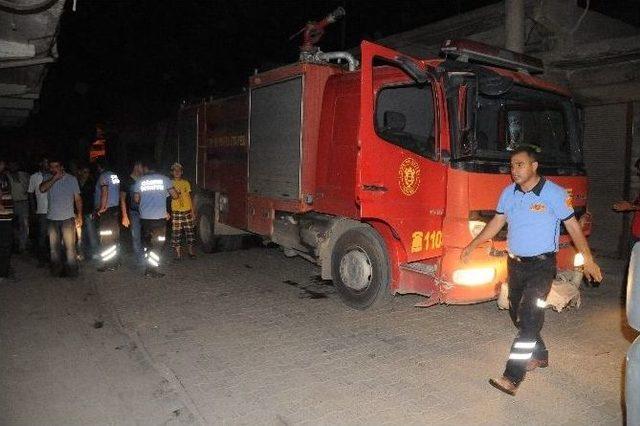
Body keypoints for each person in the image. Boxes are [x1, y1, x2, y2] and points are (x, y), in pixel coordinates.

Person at [460, 146, 603, 396]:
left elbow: (573, 227)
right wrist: (473, 243)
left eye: (520, 165)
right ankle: (541, 355)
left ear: (534, 166)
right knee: (518, 316)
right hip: (515, 264)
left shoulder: (555, 194)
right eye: (512, 165)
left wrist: (588, 259)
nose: (514, 170)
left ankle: (512, 376)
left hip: (541, 265)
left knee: (527, 317)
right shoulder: (508, 193)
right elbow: (497, 222)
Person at [133, 162, 178, 278]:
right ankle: (151, 270)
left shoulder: (140, 181)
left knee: (148, 243)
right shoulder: (165, 179)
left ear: (146, 168)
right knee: (158, 244)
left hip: (145, 218)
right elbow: (175, 196)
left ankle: (148, 265)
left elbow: (136, 199)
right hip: (159, 218)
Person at [39, 159, 83, 278]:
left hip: (68, 218)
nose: (53, 169)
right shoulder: (48, 178)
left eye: (56, 166)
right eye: (51, 167)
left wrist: (79, 215)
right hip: (52, 218)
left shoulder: (71, 179)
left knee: (70, 248)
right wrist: (54, 179)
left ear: (62, 167)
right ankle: (56, 272)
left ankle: (72, 272)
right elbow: (42, 189)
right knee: (54, 249)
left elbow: (77, 198)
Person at [94, 158, 121, 271]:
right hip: (115, 208)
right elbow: (118, 191)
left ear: (100, 167)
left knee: (105, 237)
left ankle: (108, 264)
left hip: (107, 210)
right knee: (114, 236)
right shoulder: (115, 176)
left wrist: (102, 208)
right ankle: (116, 262)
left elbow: (104, 192)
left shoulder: (103, 176)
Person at [120, 160, 145, 266]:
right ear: (137, 166)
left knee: (146, 235)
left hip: (146, 212)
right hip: (134, 212)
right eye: (142, 167)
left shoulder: (144, 180)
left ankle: (146, 256)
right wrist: (125, 216)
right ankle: (139, 259)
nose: (143, 169)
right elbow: (122, 199)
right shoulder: (127, 181)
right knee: (136, 236)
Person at [170, 162, 197, 260]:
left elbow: (189, 197)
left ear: (182, 172)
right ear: (172, 172)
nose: (177, 172)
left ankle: (190, 251)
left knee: (190, 232)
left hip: (187, 211)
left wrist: (193, 212)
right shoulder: (169, 183)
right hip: (176, 212)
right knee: (176, 233)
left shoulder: (186, 183)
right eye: (175, 170)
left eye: (179, 170)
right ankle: (178, 254)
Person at [613, 158, 640, 251]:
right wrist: (627, 205)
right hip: (636, 234)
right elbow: (637, 204)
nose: (638, 174)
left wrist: (631, 206)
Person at [28, 157, 50, 267]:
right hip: (41, 210)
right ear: (40, 163)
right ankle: (42, 259)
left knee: (53, 236)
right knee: (41, 235)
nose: (47, 164)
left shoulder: (53, 175)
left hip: (54, 210)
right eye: (45, 162)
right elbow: (30, 194)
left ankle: (52, 258)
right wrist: (33, 211)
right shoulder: (34, 177)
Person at [7, 161, 30, 253]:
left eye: (14, 164)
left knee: (24, 225)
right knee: (11, 225)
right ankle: (13, 243)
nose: (13, 166)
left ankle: (22, 246)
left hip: (23, 202)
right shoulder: (6, 176)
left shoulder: (24, 175)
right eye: (11, 165)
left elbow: (30, 188)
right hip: (11, 203)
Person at [77, 165, 99, 260]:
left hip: (89, 210)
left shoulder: (91, 183)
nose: (86, 174)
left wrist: (95, 210)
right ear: (80, 172)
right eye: (84, 172)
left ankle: (94, 253)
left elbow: (95, 197)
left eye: (88, 172)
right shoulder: (76, 182)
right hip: (78, 212)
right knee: (80, 234)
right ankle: (82, 253)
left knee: (91, 233)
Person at [0, 160, 14, 281]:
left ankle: (4, 271)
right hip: (2, 216)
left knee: (5, 244)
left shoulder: (4, 176)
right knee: (5, 244)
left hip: (6, 215)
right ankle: (3, 272)